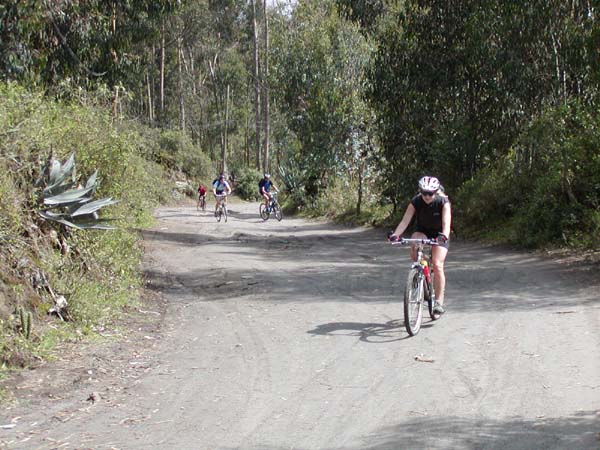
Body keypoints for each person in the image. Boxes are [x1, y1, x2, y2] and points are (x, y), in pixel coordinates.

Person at [388, 176, 451, 315]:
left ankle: (439, 302)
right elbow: (405, 222)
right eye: (424, 193)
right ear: (420, 191)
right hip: (422, 231)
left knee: (437, 263)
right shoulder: (416, 201)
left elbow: (446, 224)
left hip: (440, 233)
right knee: (415, 245)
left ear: (436, 191)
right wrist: (396, 235)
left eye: (431, 193)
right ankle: (420, 273)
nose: (427, 196)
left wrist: (443, 236)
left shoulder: (443, 202)